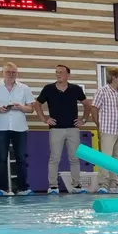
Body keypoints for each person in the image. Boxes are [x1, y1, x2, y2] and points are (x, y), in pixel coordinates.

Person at [35, 64, 91, 195]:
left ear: (68, 75)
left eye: (61, 72)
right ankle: (53, 186)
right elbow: (37, 104)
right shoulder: (48, 89)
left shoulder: (75, 89)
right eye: (57, 72)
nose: (58, 74)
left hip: (73, 129)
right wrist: (44, 119)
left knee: (75, 158)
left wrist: (84, 119)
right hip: (56, 129)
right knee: (55, 158)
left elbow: (87, 104)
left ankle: (76, 185)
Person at [0, 62, 34, 196]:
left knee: (21, 158)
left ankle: (23, 188)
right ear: (2, 72)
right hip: (1, 127)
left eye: (13, 72)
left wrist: (21, 107)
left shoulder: (25, 88)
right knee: (2, 158)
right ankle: (3, 189)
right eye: (8, 72)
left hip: (20, 128)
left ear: (17, 73)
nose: (11, 74)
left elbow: (31, 108)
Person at [92, 68, 118, 194]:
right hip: (108, 129)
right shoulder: (102, 91)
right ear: (113, 77)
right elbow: (94, 109)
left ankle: (114, 184)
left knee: (116, 159)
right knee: (106, 157)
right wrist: (99, 125)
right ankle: (103, 184)